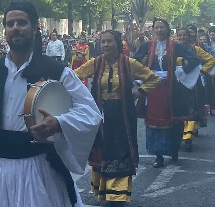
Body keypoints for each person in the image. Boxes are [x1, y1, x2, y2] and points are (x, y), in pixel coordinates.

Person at [0, 1, 102, 207]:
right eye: (10, 23)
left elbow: (90, 112)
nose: (15, 28)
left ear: (35, 28)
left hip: (40, 168)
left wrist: (59, 122)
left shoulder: (57, 71)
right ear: (4, 30)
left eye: (21, 22)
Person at [75, 30, 161, 206]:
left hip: (122, 112)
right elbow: (73, 76)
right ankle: (103, 190)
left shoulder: (129, 63)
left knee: (120, 149)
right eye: (103, 42)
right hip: (100, 112)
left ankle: (118, 194)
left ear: (118, 43)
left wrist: (139, 93)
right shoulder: (95, 63)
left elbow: (152, 79)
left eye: (109, 42)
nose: (105, 45)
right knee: (102, 148)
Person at [133, 18, 201, 168]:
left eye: (161, 27)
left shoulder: (174, 45)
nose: (158, 30)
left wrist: (180, 72)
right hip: (152, 87)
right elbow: (133, 61)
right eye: (156, 27)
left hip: (171, 88)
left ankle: (173, 149)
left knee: (172, 119)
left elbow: (195, 59)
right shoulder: (148, 45)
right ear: (153, 29)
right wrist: (141, 75)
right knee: (153, 120)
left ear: (168, 29)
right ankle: (158, 155)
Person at [176, 27, 215, 151]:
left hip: (193, 85)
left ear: (189, 37)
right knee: (179, 109)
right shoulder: (173, 50)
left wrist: (201, 71)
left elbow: (211, 60)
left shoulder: (196, 49)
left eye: (184, 35)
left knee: (192, 110)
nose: (182, 38)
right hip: (178, 85)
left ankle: (188, 138)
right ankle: (180, 135)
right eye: (180, 35)